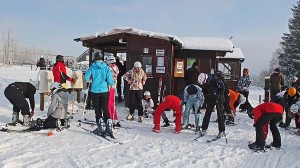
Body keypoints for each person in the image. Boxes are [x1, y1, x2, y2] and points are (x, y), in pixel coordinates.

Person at [84, 53, 114, 137]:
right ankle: (109, 128)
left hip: (95, 91)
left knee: (97, 109)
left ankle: (100, 128)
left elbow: (86, 78)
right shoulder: (106, 67)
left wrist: (91, 79)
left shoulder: (92, 67)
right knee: (105, 109)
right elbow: (110, 81)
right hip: (105, 91)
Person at [197, 72, 226, 138]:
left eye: (205, 82)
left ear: (206, 79)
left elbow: (223, 88)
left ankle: (222, 130)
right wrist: (206, 94)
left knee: (220, 114)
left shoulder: (215, 80)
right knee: (207, 113)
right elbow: (204, 90)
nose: (205, 83)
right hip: (211, 97)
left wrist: (218, 95)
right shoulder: (204, 83)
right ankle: (204, 128)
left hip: (219, 98)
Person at [106, 55, 120, 127]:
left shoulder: (110, 68)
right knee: (111, 103)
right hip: (113, 87)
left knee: (109, 103)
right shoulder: (115, 67)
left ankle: (110, 118)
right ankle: (114, 118)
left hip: (109, 87)